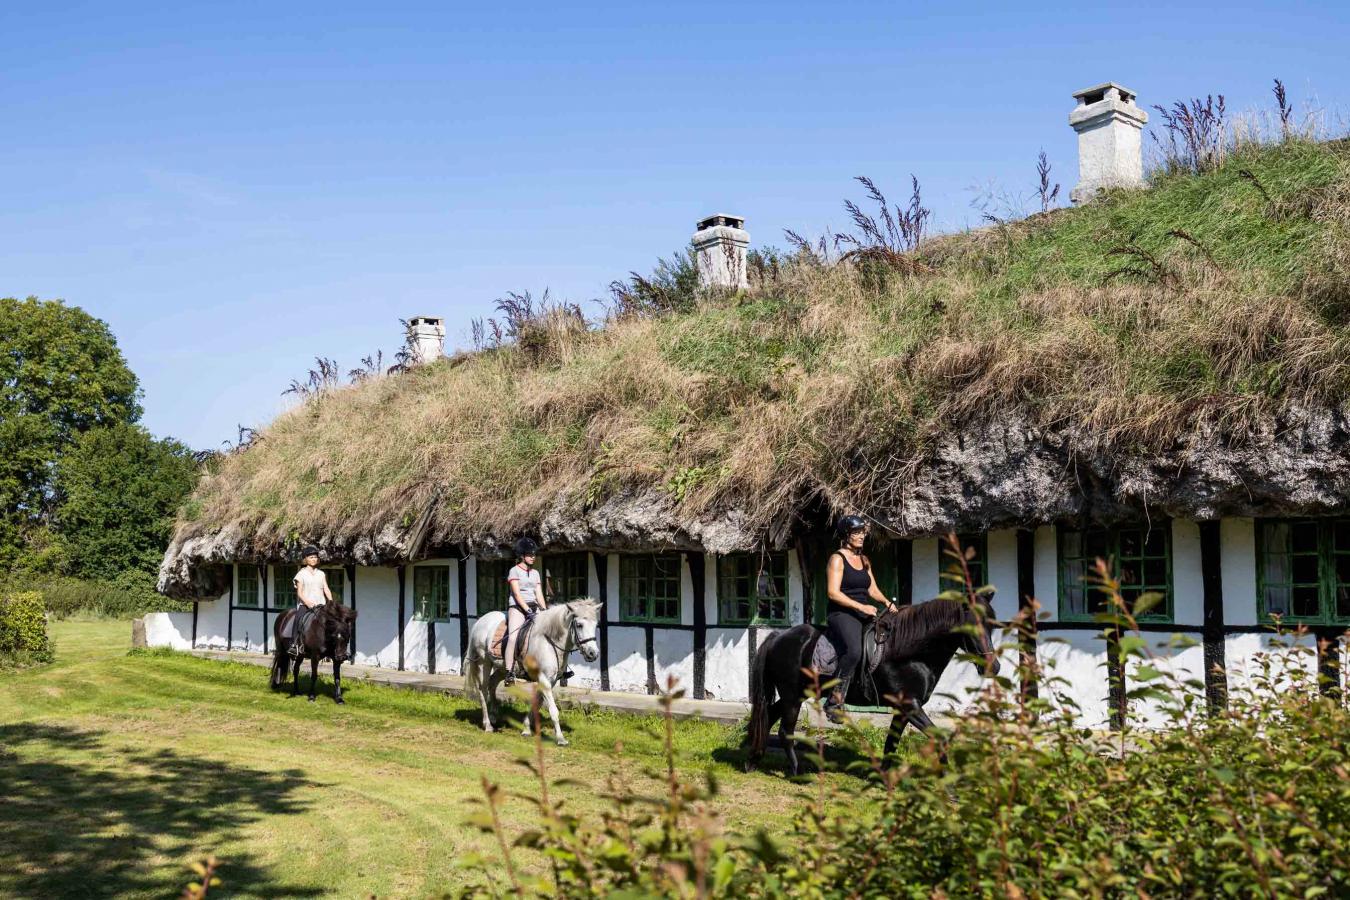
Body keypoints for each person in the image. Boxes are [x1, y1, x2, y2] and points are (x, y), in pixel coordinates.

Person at [823, 515, 897, 722]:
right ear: (845, 535)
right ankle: (834, 702)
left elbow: (872, 588)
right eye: (857, 532)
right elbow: (833, 593)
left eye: (863, 532)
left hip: (864, 611)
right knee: (854, 651)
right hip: (842, 613)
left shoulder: (864, 560)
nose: (862, 536)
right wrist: (860, 606)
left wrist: (886, 603)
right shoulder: (837, 559)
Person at [503, 538, 545, 685]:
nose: (533, 556)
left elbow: (538, 594)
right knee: (513, 637)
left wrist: (544, 610)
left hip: (534, 607)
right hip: (518, 608)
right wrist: (527, 611)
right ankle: (509, 672)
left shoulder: (535, 573)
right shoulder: (514, 571)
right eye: (529, 554)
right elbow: (517, 594)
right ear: (522, 555)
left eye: (534, 554)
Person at [287, 546, 332, 658]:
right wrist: (307, 602)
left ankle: (332, 646)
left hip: (320, 605)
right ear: (306, 559)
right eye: (311, 557)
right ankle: (294, 645)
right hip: (306, 605)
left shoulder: (321, 574)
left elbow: (326, 589)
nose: (314, 559)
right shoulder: (301, 574)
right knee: (298, 619)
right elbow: (300, 593)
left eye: (315, 557)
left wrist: (331, 602)